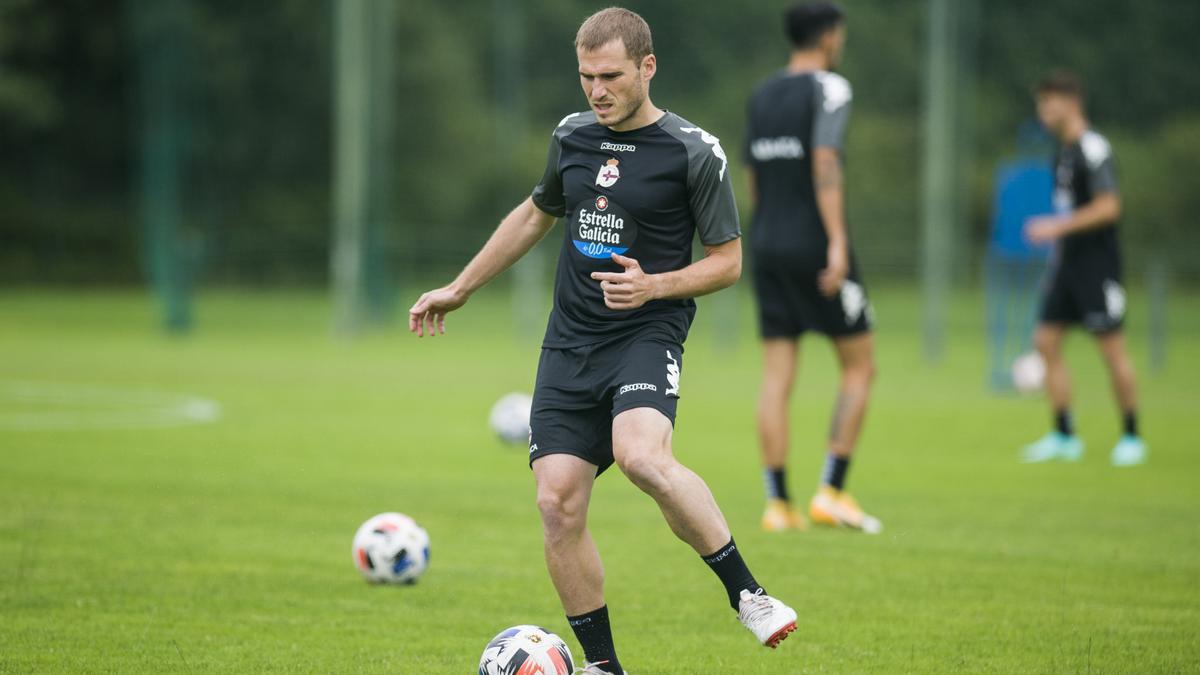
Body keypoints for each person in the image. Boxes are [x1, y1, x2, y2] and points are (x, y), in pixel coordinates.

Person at [408, 8, 797, 673]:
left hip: (647, 330)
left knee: (642, 455)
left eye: (610, 75)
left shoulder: (694, 152)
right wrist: (462, 286)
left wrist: (655, 287)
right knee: (556, 503)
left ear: (647, 67)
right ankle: (602, 666)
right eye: (586, 76)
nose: (596, 90)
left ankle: (749, 594)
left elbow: (728, 262)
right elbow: (537, 213)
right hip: (570, 343)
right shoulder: (572, 136)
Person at [743, 2, 881, 534]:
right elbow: (825, 160)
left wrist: (765, 235)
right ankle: (832, 490)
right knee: (859, 365)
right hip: (815, 245)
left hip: (767, 242)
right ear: (827, 37)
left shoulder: (762, 94)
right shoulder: (831, 86)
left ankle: (778, 505)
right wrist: (838, 241)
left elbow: (754, 177)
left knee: (777, 377)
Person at [1020, 70, 1147, 466]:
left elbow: (1110, 207)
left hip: (1097, 267)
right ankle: (1064, 435)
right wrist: (1054, 264)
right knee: (1045, 342)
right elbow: (1066, 209)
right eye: (1040, 102)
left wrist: (1055, 227)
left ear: (1071, 103)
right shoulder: (1062, 152)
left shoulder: (1094, 148)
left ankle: (1131, 437)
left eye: (1049, 101)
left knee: (1112, 350)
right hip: (1067, 267)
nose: (1043, 110)